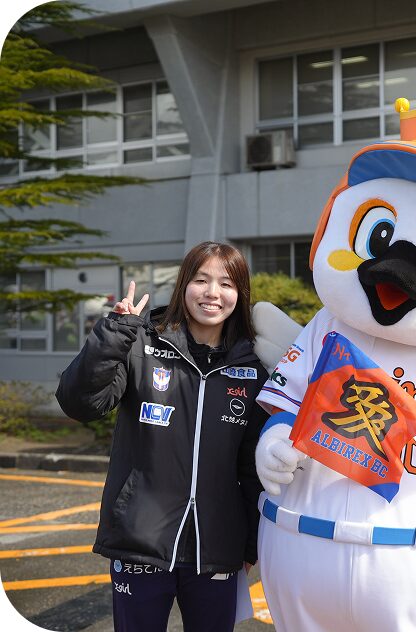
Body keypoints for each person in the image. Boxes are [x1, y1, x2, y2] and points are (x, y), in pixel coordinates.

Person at [56, 242, 268, 632]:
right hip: (141, 540)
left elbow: (253, 467)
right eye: (201, 280)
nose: (212, 293)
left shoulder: (253, 366)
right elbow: (80, 403)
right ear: (183, 285)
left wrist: (252, 543)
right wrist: (113, 334)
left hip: (216, 548)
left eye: (226, 283)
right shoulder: (142, 343)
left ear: (240, 294)